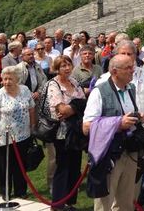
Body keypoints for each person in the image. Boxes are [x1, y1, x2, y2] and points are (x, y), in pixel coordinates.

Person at [83, 54, 144, 211]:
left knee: (126, 202)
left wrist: (138, 117)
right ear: (114, 71)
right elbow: (86, 127)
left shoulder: (130, 89)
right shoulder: (99, 92)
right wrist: (118, 124)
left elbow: (127, 115)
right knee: (105, 203)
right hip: (109, 156)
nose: (133, 70)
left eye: (132, 66)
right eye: (128, 68)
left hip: (130, 152)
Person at [0, 66, 35, 199]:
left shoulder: (25, 90)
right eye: (5, 79)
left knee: (21, 165)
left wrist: (32, 125)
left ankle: (21, 191)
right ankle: (5, 191)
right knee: (5, 166)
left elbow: (31, 108)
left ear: (17, 79)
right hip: (4, 137)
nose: (7, 82)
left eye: (10, 79)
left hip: (24, 135)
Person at [46, 55, 86, 210]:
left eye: (68, 64)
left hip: (76, 130)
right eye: (63, 66)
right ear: (57, 68)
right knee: (63, 166)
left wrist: (73, 108)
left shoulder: (74, 82)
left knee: (75, 166)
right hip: (61, 133)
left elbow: (83, 102)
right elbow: (61, 110)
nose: (67, 68)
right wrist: (76, 106)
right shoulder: (53, 84)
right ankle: (58, 204)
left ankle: (70, 202)